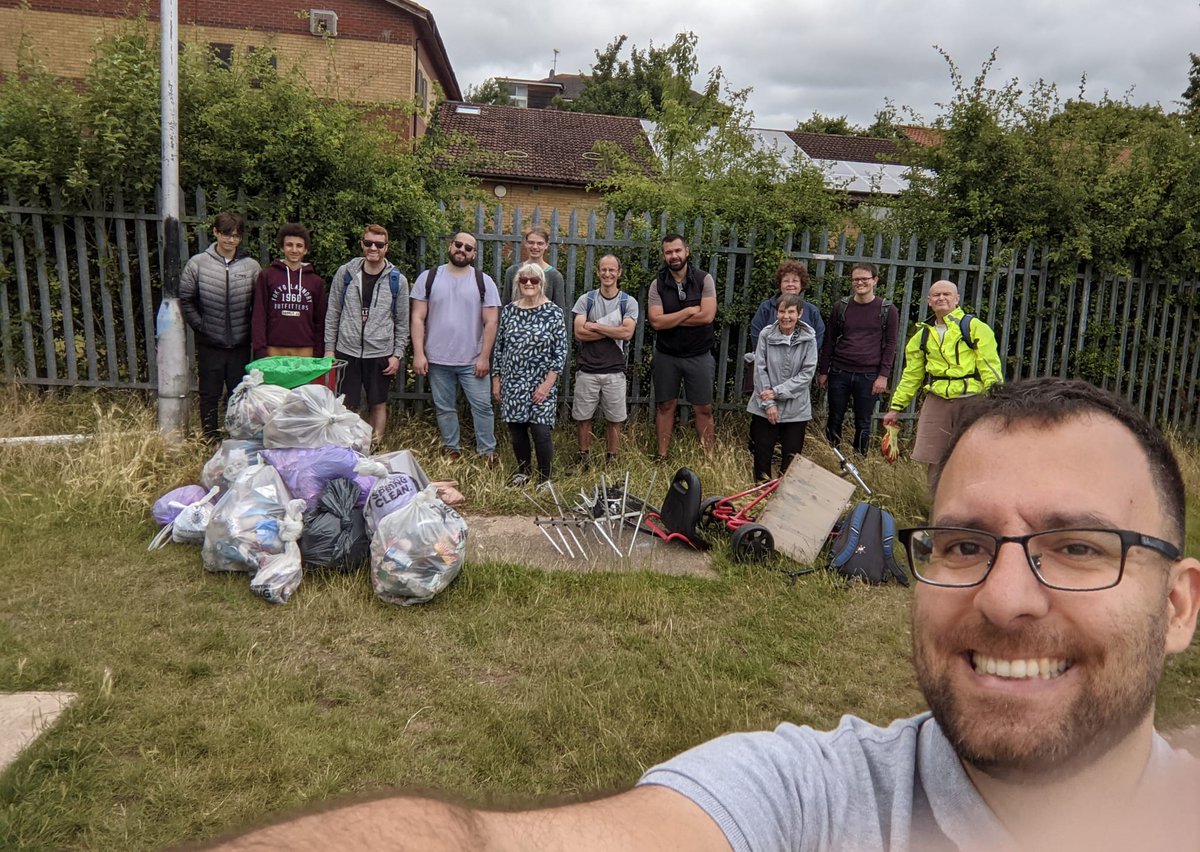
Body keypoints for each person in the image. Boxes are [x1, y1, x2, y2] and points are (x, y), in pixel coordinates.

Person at [209, 377, 1200, 851]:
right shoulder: (809, 801)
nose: (1007, 597)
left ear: (1180, 605)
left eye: (1079, 547)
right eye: (962, 546)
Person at [883, 279, 1003, 488]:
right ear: (929, 301)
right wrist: (896, 407)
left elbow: (989, 366)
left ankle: (971, 505)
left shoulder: (974, 327)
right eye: (936, 295)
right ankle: (936, 506)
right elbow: (911, 375)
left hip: (971, 399)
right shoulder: (921, 336)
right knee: (933, 458)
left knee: (972, 455)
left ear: (956, 299)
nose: (941, 298)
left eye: (947, 294)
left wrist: (997, 399)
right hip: (937, 399)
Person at [410, 231, 502, 463]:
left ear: (474, 254)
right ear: (450, 245)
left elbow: (491, 321)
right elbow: (417, 318)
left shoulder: (484, 281)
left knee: (482, 408)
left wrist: (484, 357)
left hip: (473, 360)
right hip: (438, 359)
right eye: (458, 244)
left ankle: (487, 453)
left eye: (468, 248)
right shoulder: (429, 278)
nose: (462, 250)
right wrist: (419, 354)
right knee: (444, 408)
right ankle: (452, 449)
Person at [178, 211, 260, 440]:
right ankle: (210, 438)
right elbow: (186, 298)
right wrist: (201, 326)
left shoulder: (251, 266)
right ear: (215, 232)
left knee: (239, 394)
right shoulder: (198, 263)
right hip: (210, 343)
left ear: (240, 238)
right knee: (209, 394)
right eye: (226, 234)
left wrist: (251, 332)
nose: (230, 240)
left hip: (240, 345)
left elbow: (259, 304)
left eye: (235, 236)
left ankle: (236, 438)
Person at [325, 224, 410, 445]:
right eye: (369, 243)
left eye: (379, 244)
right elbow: (333, 312)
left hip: (380, 352)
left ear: (386, 247)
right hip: (347, 350)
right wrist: (329, 349)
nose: (373, 248)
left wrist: (397, 354)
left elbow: (402, 321)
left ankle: (376, 446)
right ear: (362, 244)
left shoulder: (397, 280)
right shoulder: (346, 273)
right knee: (345, 404)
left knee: (378, 403)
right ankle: (346, 445)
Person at [491, 263, 568, 485]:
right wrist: (497, 380)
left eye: (533, 280)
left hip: (541, 382)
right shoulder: (509, 311)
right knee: (517, 431)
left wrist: (548, 384)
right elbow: (500, 347)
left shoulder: (553, 312)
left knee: (541, 431)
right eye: (524, 279)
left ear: (541, 283)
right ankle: (523, 472)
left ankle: (545, 479)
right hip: (513, 381)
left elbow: (560, 351)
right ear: (517, 283)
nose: (528, 283)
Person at [646, 234, 717, 460]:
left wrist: (670, 319)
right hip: (667, 355)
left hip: (699, 354)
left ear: (687, 251)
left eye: (677, 250)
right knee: (665, 405)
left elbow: (707, 316)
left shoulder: (704, 279)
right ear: (663, 255)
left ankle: (708, 457)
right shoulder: (657, 284)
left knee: (703, 408)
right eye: (668, 252)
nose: (673, 256)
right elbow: (656, 322)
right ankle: (662, 455)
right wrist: (687, 311)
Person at [818, 263, 900, 455]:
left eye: (865, 279)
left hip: (869, 375)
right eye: (856, 279)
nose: (860, 282)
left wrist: (883, 376)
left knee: (863, 421)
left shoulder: (888, 310)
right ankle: (832, 457)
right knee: (834, 418)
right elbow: (829, 340)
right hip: (839, 372)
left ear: (875, 280)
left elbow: (891, 345)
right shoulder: (841, 307)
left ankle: (859, 461)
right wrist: (823, 371)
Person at [571, 254, 638, 470]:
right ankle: (584, 459)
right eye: (603, 270)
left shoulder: (628, 302)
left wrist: (596, 326)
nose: (607, 274)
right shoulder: (586, 300)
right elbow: (580, 333)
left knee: (615, 419)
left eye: (612, 270)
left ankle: (612, 459)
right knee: (583, 418)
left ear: (619, 273)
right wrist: (613, 330)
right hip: (587, 369)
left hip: (614, 371)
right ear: (598, 272)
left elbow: (627, 333)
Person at [746, 293, 818, 482]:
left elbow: (807, 374)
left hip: (796, 408)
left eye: (791, 312)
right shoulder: (765, 335)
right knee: (762, 456)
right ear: (776, 313)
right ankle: (760, 496)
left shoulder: (809, 339)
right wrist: (769, 403)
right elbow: (760, 369)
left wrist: (778, 392)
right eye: (782, 311)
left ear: (800, 314)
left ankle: (783, 501)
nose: (786, 316)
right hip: (764, 406)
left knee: (791, 460)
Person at [251, 222, 327, 361]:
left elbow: (320, 320)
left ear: (305, 250)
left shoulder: (315, 282)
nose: (294, 250)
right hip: (273, 349)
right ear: (282, 247)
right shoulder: (267, 276)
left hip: (306, 350)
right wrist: (260, 350)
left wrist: (318, 351)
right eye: (289, 245)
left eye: (299, 246)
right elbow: (259, 315)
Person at [500, 226, 566, 312]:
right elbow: (505, 304)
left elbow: (560, 311)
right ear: (525, 243)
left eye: (540, 243)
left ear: (546, 245)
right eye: (531, 242)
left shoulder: (555, 276)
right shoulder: (512, 271)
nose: (535, 247)